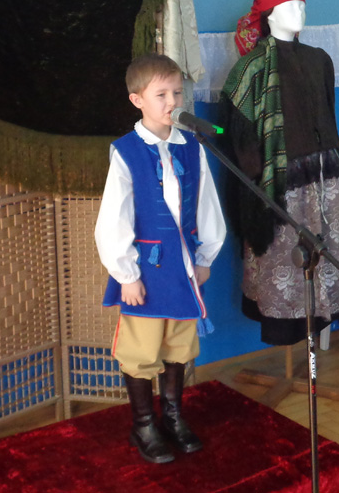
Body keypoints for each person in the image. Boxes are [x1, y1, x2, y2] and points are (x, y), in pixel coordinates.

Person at [95, 53, 226, 464]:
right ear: (138, 100)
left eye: (177, 93)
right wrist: (126, 274)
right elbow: (113, 218)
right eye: (162, 94)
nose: (172, 102)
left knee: (178, 346)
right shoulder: (126, 152)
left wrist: (205, 256)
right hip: (146, 273)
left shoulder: (192, 147)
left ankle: (172, 417)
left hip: (184, 268)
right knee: (141, 350)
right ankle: (143, 424)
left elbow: (206, 204)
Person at [222, 0, 339, 346]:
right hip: (278, 184)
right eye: (290, 6)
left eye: (302, 5)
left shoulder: (319, 60)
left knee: (325, 253)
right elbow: (239, 135)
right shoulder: (250, 68)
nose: (300, 13)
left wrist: (332, 168)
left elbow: (329, 115)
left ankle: (320, 318)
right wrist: (259, 186)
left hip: (325, 178)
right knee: (284, 258)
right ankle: (283, 328)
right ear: (269, 15)